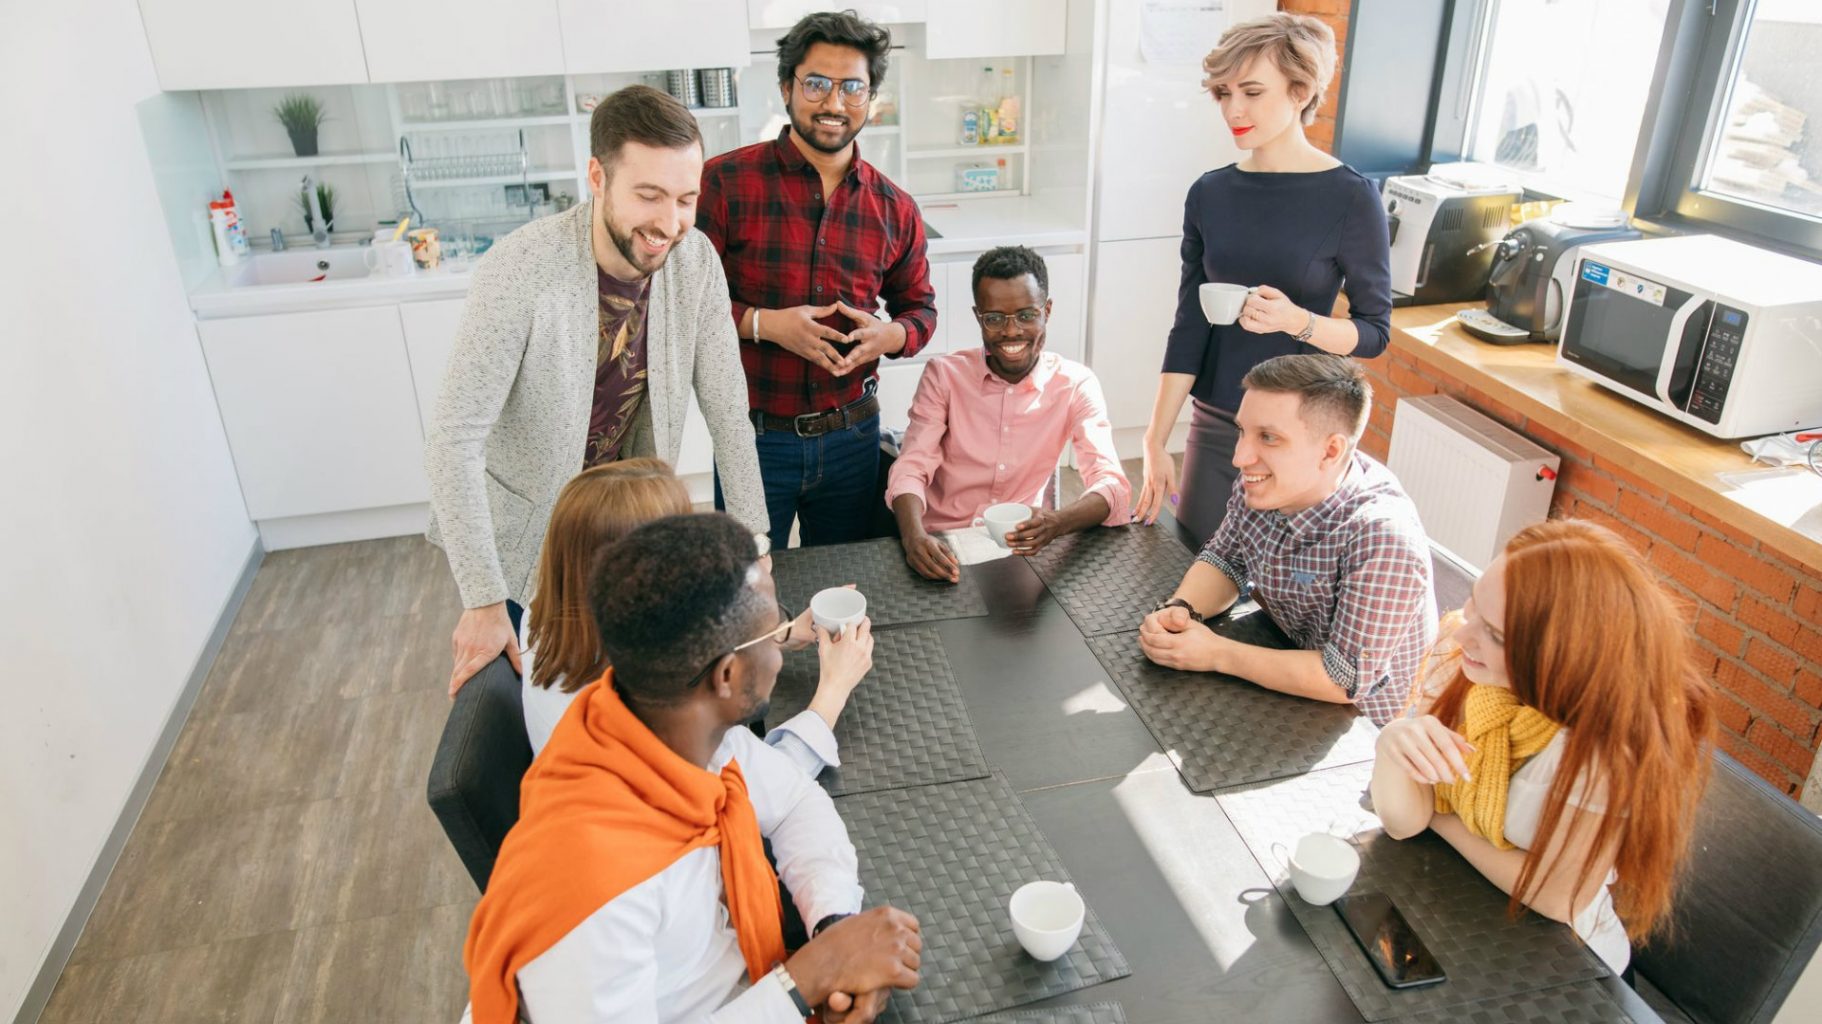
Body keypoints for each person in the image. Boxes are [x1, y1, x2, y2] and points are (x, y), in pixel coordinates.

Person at [463, 514, 921, 1023]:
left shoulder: (674, 725)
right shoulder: (590, 890)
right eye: (773, 631)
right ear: (726, 675)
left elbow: (795, 803)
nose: (783, 644)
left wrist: (833, 925)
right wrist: (805, 983)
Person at [427, 84, 769, 697]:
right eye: (649, 195)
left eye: (686, 199)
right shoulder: (519, 269)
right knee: (547, 705)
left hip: (625, 527)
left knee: (626, 696)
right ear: (596, 176)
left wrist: (757, 545)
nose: (669, 223)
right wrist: (480, 597)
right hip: (529, 539)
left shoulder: (696, 262)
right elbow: (454, 442)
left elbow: (729, 414)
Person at [1369, 520, 1716, 974]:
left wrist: (1440, 814)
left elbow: (1558, 897)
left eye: (1494, 634)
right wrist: (1392, 742)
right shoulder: (1465, 666)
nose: (1462, 635)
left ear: (1564, 651)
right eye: (1474, 605)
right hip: (1456, 910)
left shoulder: (1604, 751)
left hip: (1566, 964)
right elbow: (1403, 824)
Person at [1133, 12, 1392, 543]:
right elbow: (1189, 326)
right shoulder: (1209, 193)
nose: (1234, 110)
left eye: (1251, 91)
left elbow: (1374, 333)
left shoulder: (1350, 197)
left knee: (1281, 598)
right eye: (1224, 94)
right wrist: (1154, 439)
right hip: (1219, 416)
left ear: (1300, 91)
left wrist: (1300, 322)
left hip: (1301, 430)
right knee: (1195, 563)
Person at [698, 9, 938, 548]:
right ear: (787, 88)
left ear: (870, 98)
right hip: (753, 438)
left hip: (853, 438)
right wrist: (765, 324)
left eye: (853, 87)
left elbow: (920, 309)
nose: (834, 103)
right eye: (817, 84)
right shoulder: (725, 182)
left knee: (844, 592)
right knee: (744, 593)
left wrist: (890, 335)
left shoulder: (894, 207)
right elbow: (683, 306)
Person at [521, 458, 872, 780]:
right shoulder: (658, 704)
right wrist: (833, 691)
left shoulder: (544, 615)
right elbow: (765, 787)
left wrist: (780, 633)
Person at [1137, 354, 1434, 725]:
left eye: (1269, 438)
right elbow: (1226, 559)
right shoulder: (1267, 482)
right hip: (1280, 674)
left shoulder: (1384, 540)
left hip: (1361, 732)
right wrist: (1183, 608)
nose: (1241, 456)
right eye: (1242, 431)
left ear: (1331, 451)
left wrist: (1215, 653)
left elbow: (1342, 680)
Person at [885, 246, 1132, 581]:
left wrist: (1057, 523)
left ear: (1047, 310)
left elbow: (1112, 485)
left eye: (1027, 315)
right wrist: (914, 538)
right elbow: (911, 467)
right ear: (978, 316)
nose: (1011, 331)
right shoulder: (943, 375)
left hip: (1020, 550)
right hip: (942, 544)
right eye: (995, 318)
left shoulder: (1076, 384)